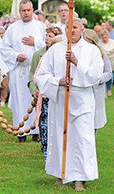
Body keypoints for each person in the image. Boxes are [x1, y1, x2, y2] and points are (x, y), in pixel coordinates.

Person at [35, 18, 103, 191]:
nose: (71, 30)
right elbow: (41, 75)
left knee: (81, 138)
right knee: (60, 136)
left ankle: (79, 178)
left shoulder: (91, 50)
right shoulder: (56, 49)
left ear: (82, 29)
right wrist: (59, 81)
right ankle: (61, 173)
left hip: (82, 102)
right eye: (69, 27)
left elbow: (95, 75)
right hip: (61, 100)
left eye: (75, 27)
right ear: (64, 29)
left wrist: (76, 62)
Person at [0, 0, 46, 143]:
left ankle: (36, 130)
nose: (26, 13)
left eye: (28, 10)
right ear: (19, 12)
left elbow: (49, 44)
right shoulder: (13, 28)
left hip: (36, 70)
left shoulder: (41, 27)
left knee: (35, 98)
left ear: (33, 10)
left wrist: (35, 43)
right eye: (23, 10)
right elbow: (4, 48)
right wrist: (16, 56)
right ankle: (21, 131)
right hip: (19, 71)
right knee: (20, 101)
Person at [28, 26, 63, 161]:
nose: (47, 39)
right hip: (45, 95)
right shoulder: (39, 55)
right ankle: (46, 153)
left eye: (50, 36)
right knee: (45, 125)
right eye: (46, 36)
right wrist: (34, 90)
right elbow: (34, 75)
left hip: (59, 96)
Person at [83, 29, 110, 135]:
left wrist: (98, 78)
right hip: (82, 90)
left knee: (93, 123)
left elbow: (108, 72)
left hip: (96, 91)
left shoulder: (102, 54)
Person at [98, 29, 114, 97]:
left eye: (106, 37)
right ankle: (104, 92)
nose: (104, 39)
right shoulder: (99, 44)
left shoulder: (112, 42)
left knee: (110, 77)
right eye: (103, 37)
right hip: (103, 62)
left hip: (112, 61)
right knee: (103, 77)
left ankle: (109, 89)